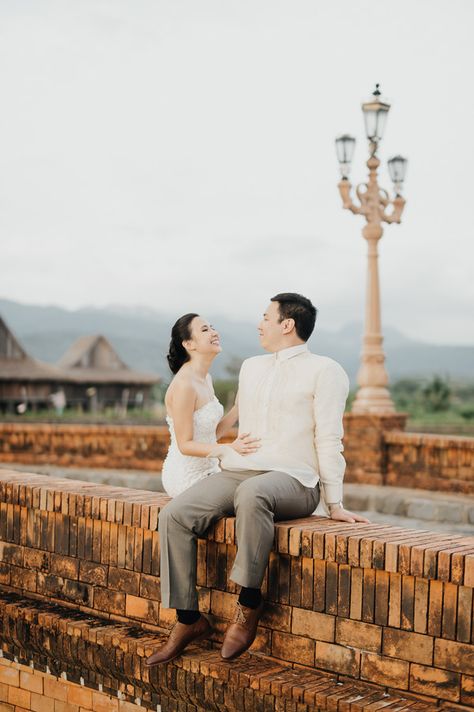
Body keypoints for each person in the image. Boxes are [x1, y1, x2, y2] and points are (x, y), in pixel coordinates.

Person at [146, 293, 370, 668]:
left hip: (295, 479)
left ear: (287, 325)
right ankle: (188, 619)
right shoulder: (251, 367)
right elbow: (233, 423)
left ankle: (249, 603)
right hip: (241, 469)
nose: (259, 323)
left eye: (266, 317)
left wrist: (334, 503)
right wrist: (224, 449)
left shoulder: (325, 370)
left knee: (253, 494)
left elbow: (330, 439)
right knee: (174, 515)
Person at [161, 313, 260, 497]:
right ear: (189, 344)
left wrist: (238, 408)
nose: (214, 333)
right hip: (185, 477)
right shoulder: (185, 385)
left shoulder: (206, 378)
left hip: (210, 472)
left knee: (256, 491)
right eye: (205, 330)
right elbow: (185, 445)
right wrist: (229, 448)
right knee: (250, 496)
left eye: (212, 327)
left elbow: (209, 436)